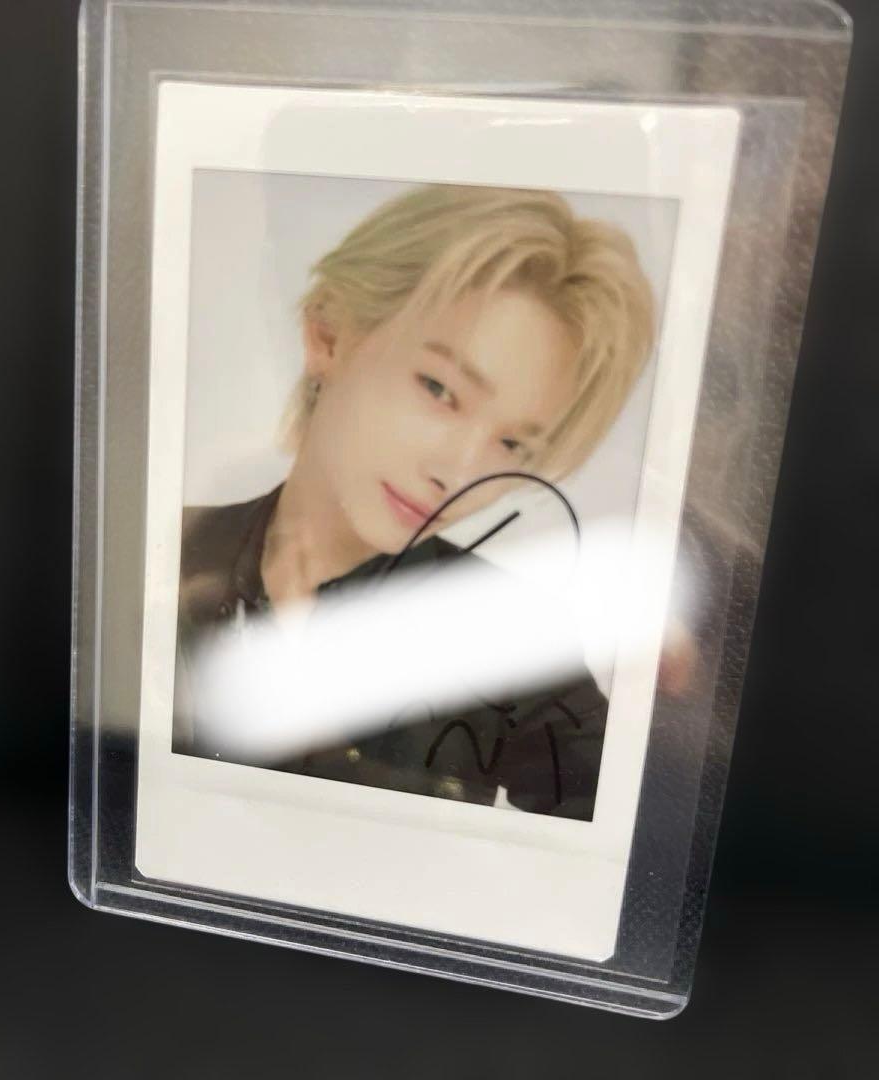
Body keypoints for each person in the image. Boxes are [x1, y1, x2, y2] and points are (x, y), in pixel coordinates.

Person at [173, 184, 656, 820]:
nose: (458, 472)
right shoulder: (154, 554)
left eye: (512, 443)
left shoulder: (510, 632)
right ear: (328, 335)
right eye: (439, 388)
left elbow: (634, 841)